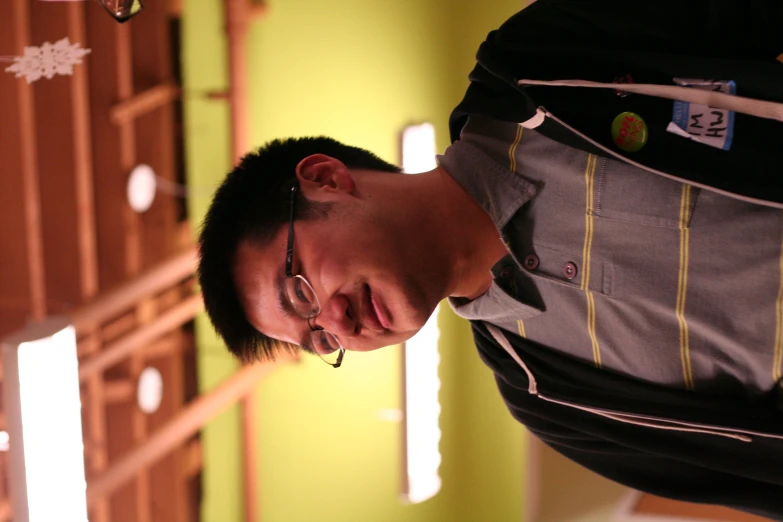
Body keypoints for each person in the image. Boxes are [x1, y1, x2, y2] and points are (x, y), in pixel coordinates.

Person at [197, 0, 783, 518]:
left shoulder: (538, 62)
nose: (338, 325)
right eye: (319, 340)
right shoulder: (547, 400)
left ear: (326, 179)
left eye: (300, 291)